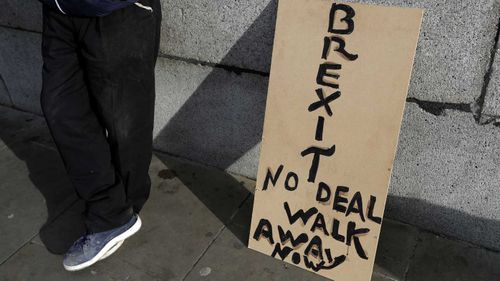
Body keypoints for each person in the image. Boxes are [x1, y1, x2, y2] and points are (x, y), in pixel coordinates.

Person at [38, 0, 162, 271]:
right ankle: (111, 211)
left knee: (125, 121)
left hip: (117, 10)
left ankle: (121, 211)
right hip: (58, 10)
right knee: (60, 107)